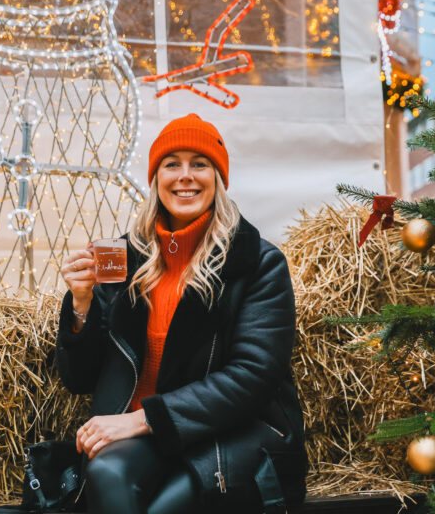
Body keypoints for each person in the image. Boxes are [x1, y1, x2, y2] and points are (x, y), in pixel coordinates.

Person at [56, 113, 307, 514]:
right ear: (156, 178)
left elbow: (252, 377)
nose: (185, 176)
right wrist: (82, 302)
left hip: (231, 432)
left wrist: (141, 420)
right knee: (106, 476)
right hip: (144, 436)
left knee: (164, 508)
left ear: (218, 178)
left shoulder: (257, 261)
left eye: (200, 164)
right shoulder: (124, 258)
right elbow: (79, 378)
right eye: (172, 164)